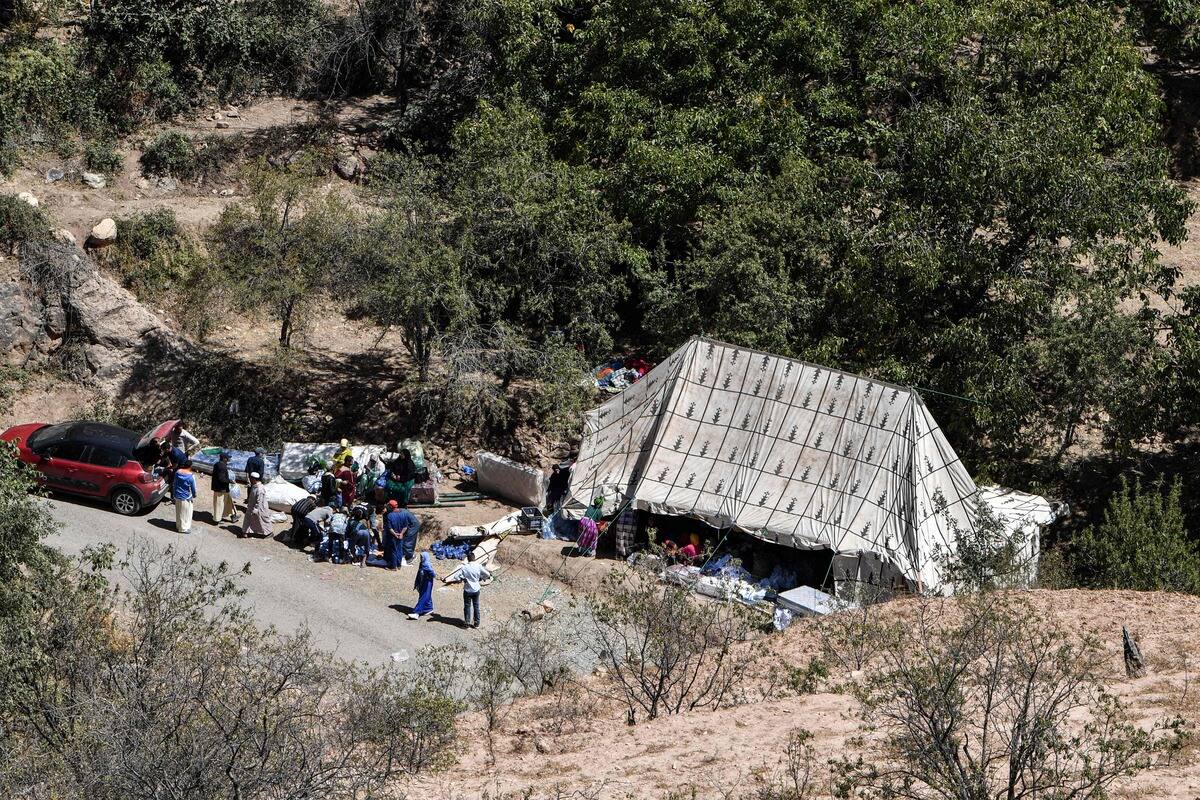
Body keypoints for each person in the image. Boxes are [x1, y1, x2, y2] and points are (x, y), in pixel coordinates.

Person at [455, 558, 492, 629]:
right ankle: (476, 624)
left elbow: (456, 576)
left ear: (468, 559)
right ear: (474, 558)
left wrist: (462, 579)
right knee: (476, 606)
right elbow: (487, 574)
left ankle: (467, 624)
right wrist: (482, 577)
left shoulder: (465, 567)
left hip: (467, 590)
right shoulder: (478, 566)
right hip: (476, 589)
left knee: (467, 606)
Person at [242, 472, 272, 538]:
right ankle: (246, 531)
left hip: (260, 508)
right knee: (248, 518)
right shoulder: (254, 486)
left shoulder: (260, 489)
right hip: (251, 506)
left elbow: (259, 501)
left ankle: (268, 532)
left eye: (251, 478)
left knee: (262, 520)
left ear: (254, 479)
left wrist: (255, 509)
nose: (250, 480)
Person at [408, 551, 436, 619]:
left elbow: (432, 573)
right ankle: (429, 608)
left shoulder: (426, 564)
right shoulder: (422, 563)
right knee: (426, 595)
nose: (421, 558)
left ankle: (417, 612)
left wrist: (437, 577)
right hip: (423, 581)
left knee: (423, 596)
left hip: (427, 582)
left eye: (422, 557)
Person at [211, 451, 237, 523]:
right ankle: (216, 519)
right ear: (224, 459)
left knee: (229, 502)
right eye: (228, 458)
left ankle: (233, 515)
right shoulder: (222, 466)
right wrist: (230, 481)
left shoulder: (217, 464)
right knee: (219, 504)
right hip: (221, 489)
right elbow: (221, 479)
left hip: (220, 488)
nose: (229, 459)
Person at [173, 458, 198, 534]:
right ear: (190, 466)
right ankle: (183, 528)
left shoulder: (177, 472)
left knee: (179, 512)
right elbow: (194, 488)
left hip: (177, 495)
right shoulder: (191, 476)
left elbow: (175, 483)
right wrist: (194, 495)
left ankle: (178, 525)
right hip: (185, 497)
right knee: (186, 513)